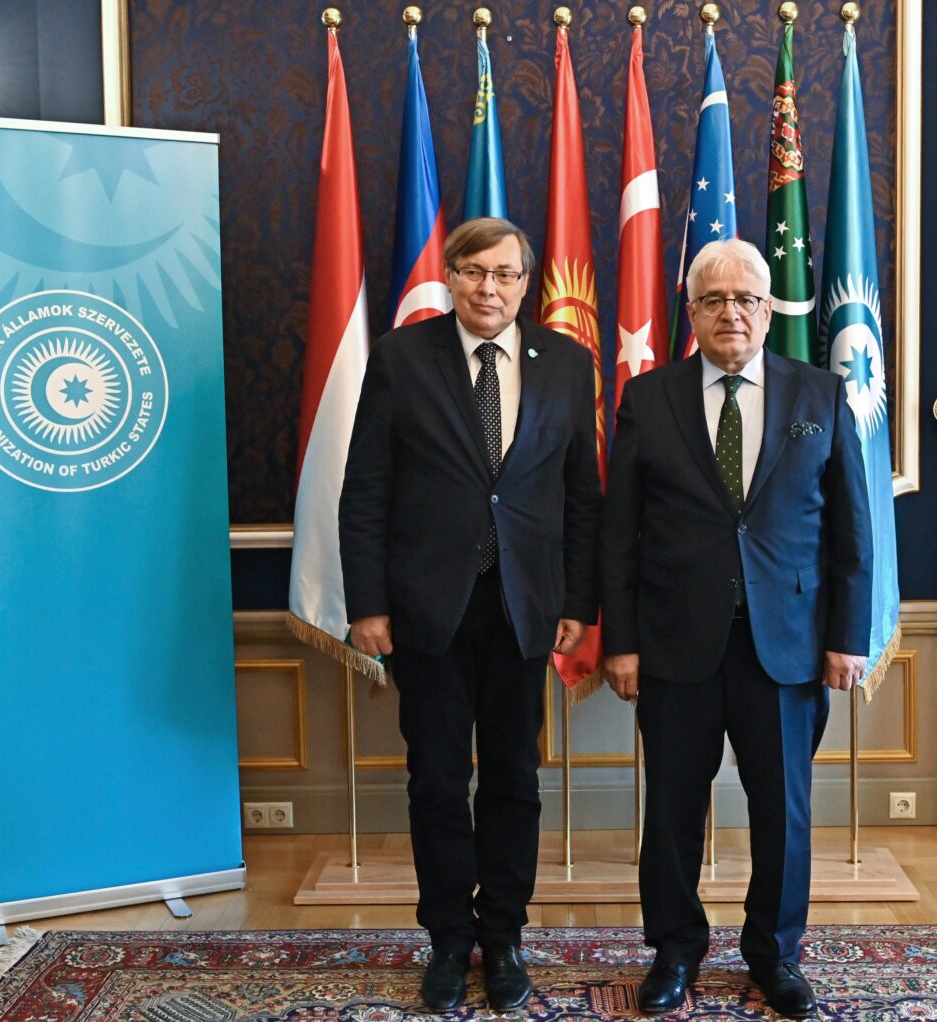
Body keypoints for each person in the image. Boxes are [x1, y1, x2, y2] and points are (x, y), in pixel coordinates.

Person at [601, 239, 873, 1019]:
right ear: (691, 312)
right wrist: (621, 642)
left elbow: (852, 532)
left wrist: (848, 637)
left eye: (746, 299)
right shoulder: (648, 398)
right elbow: (620, 534)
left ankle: (775, 955)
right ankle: (674, 951)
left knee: (782, 812)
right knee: (672, 811)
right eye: (714, 300)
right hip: (674, 642)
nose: (731, 313)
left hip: (786, 645)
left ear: (767, 309)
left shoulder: (820, 394)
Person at [338, 217, 601, 1012]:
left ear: (526, 283)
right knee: (438, 781)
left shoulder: (568, 364)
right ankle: (449, 942)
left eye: (506, 274)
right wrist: (367, 604)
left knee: (515, 778)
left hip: (526, 606)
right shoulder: (400, 358)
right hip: (428, 609)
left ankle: (504, 938)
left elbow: (581, 496)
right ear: (450, 277)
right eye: (475, 272)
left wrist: (577, 601)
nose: (490, 288)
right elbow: (366, 490)